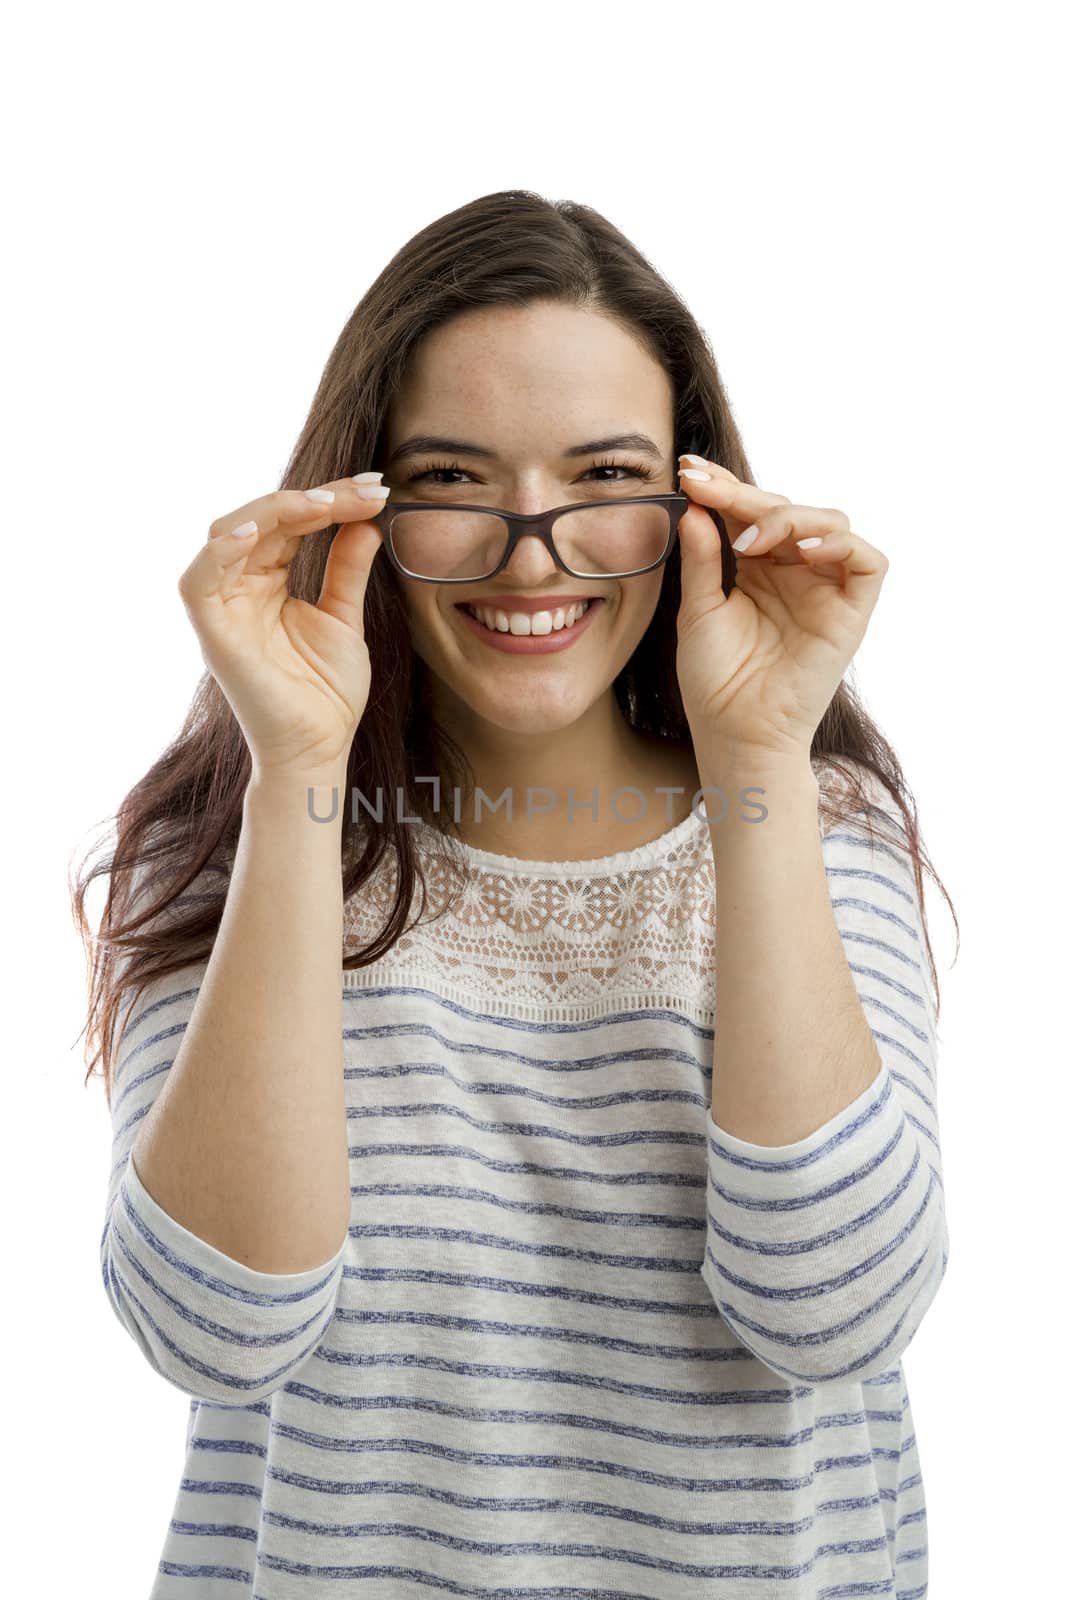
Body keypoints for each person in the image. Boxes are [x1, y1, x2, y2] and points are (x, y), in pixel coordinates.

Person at [73, 190, 956, 1599]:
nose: (531, 547)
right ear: (360, 503)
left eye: (605, 476)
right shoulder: (223, 855)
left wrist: (758, 763)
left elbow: (837, 1310)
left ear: (693, 504)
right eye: (453, 479)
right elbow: (213, 1335)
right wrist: (299, 769)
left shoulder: (816, 830)